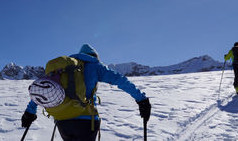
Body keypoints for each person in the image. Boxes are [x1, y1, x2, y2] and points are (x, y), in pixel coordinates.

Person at [21, 44, 151, 141]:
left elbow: (45, 88)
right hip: (86, 122)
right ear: (94, 56)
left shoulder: (63, 68)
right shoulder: (95, 66)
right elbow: (120, 80)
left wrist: (29, 112)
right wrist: (141, 99)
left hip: (62, 122)